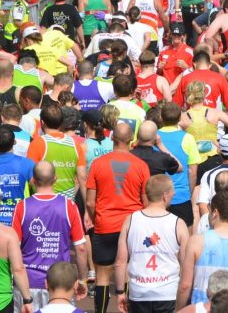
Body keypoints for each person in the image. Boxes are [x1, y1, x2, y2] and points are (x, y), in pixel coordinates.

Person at [86, 122, 150, 313]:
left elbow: (90, 202)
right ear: (132, 140)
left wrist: (96, 217)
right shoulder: (141, 166)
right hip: (131, 226)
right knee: (129, 272)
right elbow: (146, 201)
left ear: (112, 137)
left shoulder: (98, 164)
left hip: (105, 224)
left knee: (103, 276)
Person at [12, 161, 88, 309]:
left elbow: (14, 247)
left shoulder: (22, 206)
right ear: (55, 178)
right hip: (61, 284)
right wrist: (82, 279)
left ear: (33, 180)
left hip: (28, 282)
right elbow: (81, 248)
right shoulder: (69, 206)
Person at [114, 175, 189, 313]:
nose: (175, 193)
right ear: (165, 195)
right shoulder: (178, 224)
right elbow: (186, 264)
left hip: (138, 293)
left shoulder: (130, 220)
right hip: (168, 293)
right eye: (172, 190)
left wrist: (120, 292)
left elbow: (120, 261)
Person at [177, 192, 228, 310]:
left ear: (215, 213)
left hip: (203, 307)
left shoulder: (197, 241)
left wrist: (180, 309)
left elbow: (185, 286)